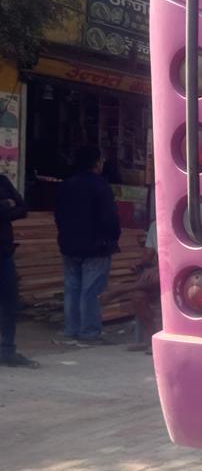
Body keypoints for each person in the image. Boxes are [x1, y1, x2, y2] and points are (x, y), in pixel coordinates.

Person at [54, 146, 120, 346]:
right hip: (96, 246)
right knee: (90, 291)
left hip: (69, 244)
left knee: (72, 289)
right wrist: (113, 237)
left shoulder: (66, 185)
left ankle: (71, 330)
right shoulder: (100, 186)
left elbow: (58, 215)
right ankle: (89, 332)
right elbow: (109, 218)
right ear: (97, 162)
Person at [0, 171, 38, 367]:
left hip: (4, 253)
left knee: (9, 303)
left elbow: (23, 208)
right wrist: (6, 205)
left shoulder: (2, 181)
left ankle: (7, 350)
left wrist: (5, 208)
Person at [126, 221, 160, 353]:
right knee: (138, 297)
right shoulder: (155, 226)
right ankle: (151, 339)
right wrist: (138, 263)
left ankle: (117, 291)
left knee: (153, 277)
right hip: (159, 275)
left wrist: (158, 268)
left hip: (178, 273)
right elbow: (148, 255)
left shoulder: (186, 218)